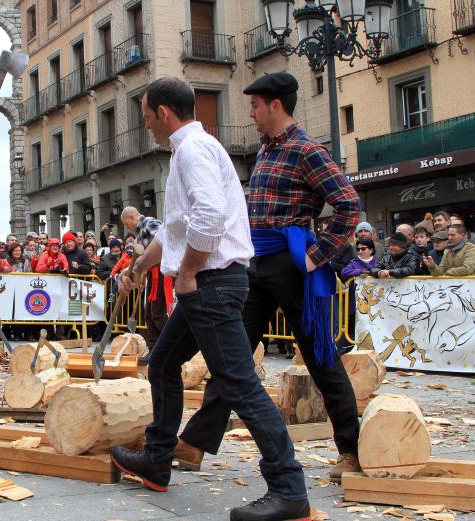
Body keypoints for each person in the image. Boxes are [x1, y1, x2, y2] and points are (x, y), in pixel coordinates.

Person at [112, 77, 310, 521]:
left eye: (146, 116)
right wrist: (137, 268)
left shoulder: (193, 151)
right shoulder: (189, 150)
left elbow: (209, 216)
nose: (146, 124)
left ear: (164, 112)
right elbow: (174, 232)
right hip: (210, 282)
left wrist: (187, 273)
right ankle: (157, 460)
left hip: (211, 283)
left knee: (239, 384)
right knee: (163, 363)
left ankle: (289, 489)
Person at [175, 72, 362, 492]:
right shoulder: (264, 150)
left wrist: (316, 257)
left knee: (320, 357)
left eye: (255, 105)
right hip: (255, 263)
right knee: (232, 356)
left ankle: (351, 450)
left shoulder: (307, 150)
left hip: (290, 264)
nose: (251, 113)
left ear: (276, 105)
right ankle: (194, 444)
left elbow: (349, 205)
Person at [120, 206, 169, 358]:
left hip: (162, 271)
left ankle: (170, 348)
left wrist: (135, 268)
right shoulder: (140, 234)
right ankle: (154, 350)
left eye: (126, 224)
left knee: (157, 313)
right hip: (153, 272)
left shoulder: (149, 223)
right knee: (148, 314)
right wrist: (139, 275)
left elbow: (163, 245)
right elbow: (144, 258)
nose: (127, 227)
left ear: (130, 217)